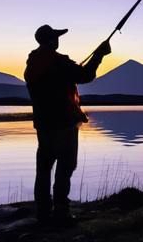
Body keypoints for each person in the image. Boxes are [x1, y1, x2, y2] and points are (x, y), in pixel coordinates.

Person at [24, 24, 112, 223]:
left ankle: (43, 212)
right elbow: (85, 76)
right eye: (55, 37)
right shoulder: (57, 62)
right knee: (65, 167)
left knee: (44, 168)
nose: (58, 40)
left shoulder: (33, 61)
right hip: (63, 123)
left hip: (43, 125)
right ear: (49, 40)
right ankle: (61, 211)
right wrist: (100, 55)